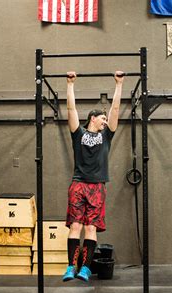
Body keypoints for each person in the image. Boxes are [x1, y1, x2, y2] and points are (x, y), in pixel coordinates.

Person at [62, 70, 125, 282]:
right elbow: (70, 108)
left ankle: (85, 269)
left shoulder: (106, 136)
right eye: (102, 118)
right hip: (79, 184)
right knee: (76, 226)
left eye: (107, 119)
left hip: (97, 186)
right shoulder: (78, 133)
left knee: (90, 228)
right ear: (92, 118)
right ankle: (71, 266)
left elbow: (116, 108)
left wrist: (119, 84)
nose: (106, 121)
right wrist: (70, 84)